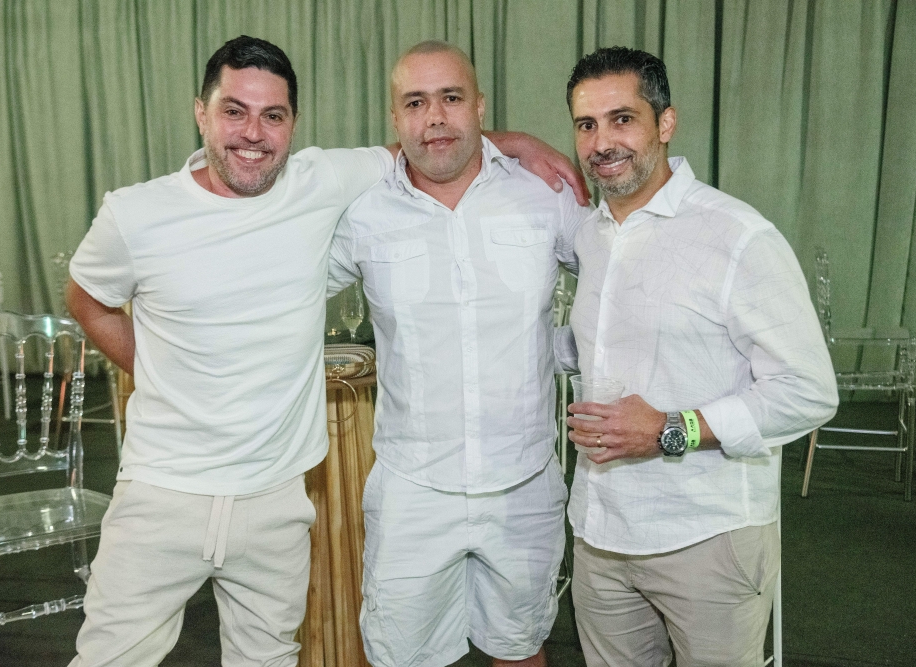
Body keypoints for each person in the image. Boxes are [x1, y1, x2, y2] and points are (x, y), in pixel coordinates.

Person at [65, 35, 587, 667]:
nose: (252, 132)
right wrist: (159, 371)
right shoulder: (145, 212)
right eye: (233, 111)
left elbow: (610, 285)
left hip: (307, 495)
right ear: (201, 112)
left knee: (282, 658)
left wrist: (517, 144)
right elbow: (88, 299)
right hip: (190, 488)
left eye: (272, 115)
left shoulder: (337, 183)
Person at [560, 46, 839, 667]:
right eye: (586, 125)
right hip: (600, 534)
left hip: (706, 538)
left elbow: (808, 390)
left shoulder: (736, 235)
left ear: (665, 122)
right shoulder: (590, 236)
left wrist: (670, 428)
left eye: (622, 119)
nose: (602, 142)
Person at [328, 41, 592, 667]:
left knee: (520, 649)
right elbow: (285, 299)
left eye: (451, 98)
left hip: (524, 484)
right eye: (415, 103)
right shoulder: (361, 212)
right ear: (395, 118)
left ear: (479, 105)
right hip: (412, 489)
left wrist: (571, 353)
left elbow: (617, 291)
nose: (435, 117)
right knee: (401, 658)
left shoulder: (545, 192)